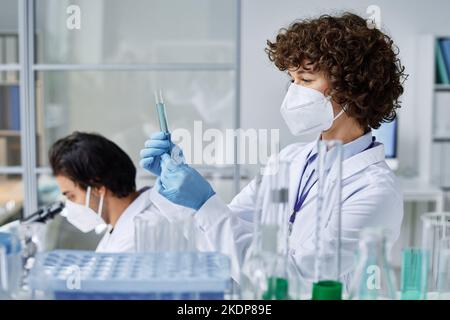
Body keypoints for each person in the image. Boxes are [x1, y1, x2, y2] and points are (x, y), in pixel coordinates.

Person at [140, 13, 406, 292]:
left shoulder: (375, 192)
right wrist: (177, 183)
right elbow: (220, 238)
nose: (293, 92)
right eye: (292, 80)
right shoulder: (288, 159)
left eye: (305, 78)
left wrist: (204, 201)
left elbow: (300, 281)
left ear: (353, 88)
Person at [49, 131, 183, 252]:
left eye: (72, 196)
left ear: (97, 188)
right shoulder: (120, 225)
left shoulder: (140, 234)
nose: (70, 205)